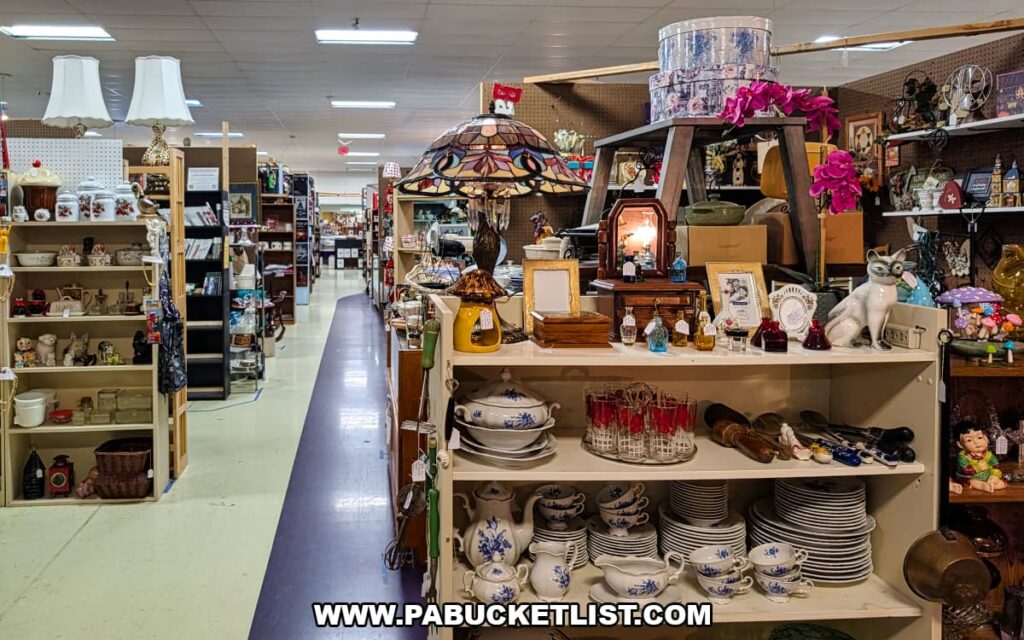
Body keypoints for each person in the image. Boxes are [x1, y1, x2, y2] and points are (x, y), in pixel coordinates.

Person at [953, 421, 1007, 494]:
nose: (976, 442)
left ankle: (992, 483)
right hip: (969, 477)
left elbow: (995, 465)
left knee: (1001, 482)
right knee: (971, 482)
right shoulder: (963, 456)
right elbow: (964, 470)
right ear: (960, 444)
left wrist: (994, 474)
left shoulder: (988, 454)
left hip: (987, 475)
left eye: (979, 437)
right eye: (969, 440)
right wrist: (978, 468)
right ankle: (982, 486)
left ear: (985, 438)